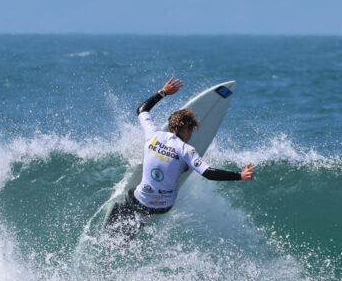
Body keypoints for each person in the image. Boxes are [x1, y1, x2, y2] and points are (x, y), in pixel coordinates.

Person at [106, 77, 254, 232]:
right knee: (179, 169)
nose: (191, 134)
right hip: (164, 207)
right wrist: (240, 175)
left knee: (127, 200)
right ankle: (138, 226)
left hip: (142, 199)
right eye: (191, 130)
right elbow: (208, 173)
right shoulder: (186, 150)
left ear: (171, 126)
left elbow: (142, 110)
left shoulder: (153, 134)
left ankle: (114, 237)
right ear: (186, 129)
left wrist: (163, 92)